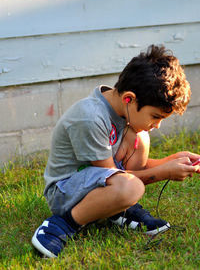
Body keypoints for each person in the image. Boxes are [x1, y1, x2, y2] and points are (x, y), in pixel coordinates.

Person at [32, 45, 200, 258]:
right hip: (64, 190)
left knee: (139, 136)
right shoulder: (91, 117)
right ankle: (62, 224)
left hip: (100, 180)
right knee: (131, 188)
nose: (157, 125)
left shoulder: (124, 113)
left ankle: (118, 209)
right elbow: (111, 176)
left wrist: (174, 160)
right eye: (155, 116)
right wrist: (165, 172)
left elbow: (129, 172)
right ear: (129, 98)